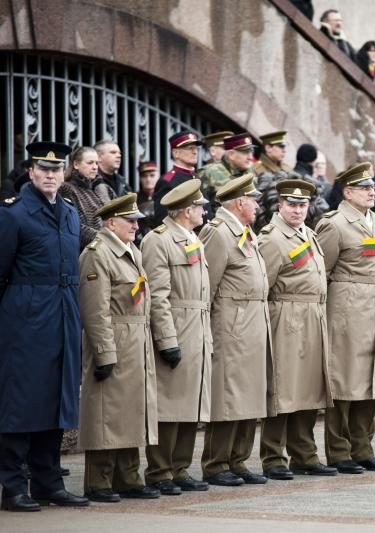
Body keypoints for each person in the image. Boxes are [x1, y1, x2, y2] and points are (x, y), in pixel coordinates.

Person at [0, 142, 87, 512]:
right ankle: (13, 486)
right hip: (25, 318)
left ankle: (48, 481)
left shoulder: (69, 213)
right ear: (31, 172)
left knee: (56, 400)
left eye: (56, 169)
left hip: (63, 314)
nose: (50, 175)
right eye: (43, 169)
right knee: (21, 403)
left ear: (64, 173)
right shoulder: (14, 215)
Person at [79, 193, 159, 502]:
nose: (136, 226)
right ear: (111, 222)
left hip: (135, 338)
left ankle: (128, 477)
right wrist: (103, 351)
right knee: (106, 412)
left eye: (137, 221)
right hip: (115, 337)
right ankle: (99, 481)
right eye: (130, 221)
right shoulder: (97, 253)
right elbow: (94, 309)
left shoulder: (131, 251)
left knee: (132, 410)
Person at [315, 163, 375, 473]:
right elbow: (323, 272)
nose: (372, 192)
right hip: (347, 309)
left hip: (374, 306)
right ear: (347, 193)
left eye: (372, 187)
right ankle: (338, 451)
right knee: (344, 383)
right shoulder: (334, 224)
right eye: (365, 188)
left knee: (370, 382)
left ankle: (363, 447)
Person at [258, 179, 337, 478]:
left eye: (302, 204)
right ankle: (273, 456)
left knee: (308, 389)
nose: (297, 209)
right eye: (291, 204)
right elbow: (262, 285)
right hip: (286, 314)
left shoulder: (309, 233)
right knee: (283, 388)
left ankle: (305, 454)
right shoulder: (271, 238)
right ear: (279, 205)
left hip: (312, 315)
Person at [141, 180, 213, 495]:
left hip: (197, 325)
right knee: (169, 405)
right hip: (178, 325)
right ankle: (160, 470)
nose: (203, 211)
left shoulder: (191, 237)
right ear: (186, 210)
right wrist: (167, 339)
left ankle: (180, 467)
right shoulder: (160, 240)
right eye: (199, 207)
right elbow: (158, 295)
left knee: (191, 404)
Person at [198, 175, 269, 486]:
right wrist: (209, 329)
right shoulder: (218, 232)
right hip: (231, 323)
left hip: (252, 322)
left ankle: (238, 459)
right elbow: (207, 287)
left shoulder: (243, 230)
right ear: (240, 202)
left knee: (249, 396)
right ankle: (216, 463)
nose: (257, 205)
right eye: (254, 200)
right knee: (228, 397)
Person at [153, 131, 204, 224]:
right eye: (190, 148)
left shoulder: (197, 177)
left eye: (196, 148)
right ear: (176, 153)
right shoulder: (168, 181)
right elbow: (162, 220)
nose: (195, 152)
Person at [59, 146, 104, 250]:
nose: (95, 167)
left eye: (97, 163)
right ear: (76, 164)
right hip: (83, 252)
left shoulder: (93, 190)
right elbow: (74, 225)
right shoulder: (66, 188)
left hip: (100, 249)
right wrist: (104, 239)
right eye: (90, 163)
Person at [197, 133, 254, 208]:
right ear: (231, 155)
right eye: (245, 152)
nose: (250, 157)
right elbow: (200, 206)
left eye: (251, 152)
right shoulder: (210, 172)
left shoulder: (251, 173)